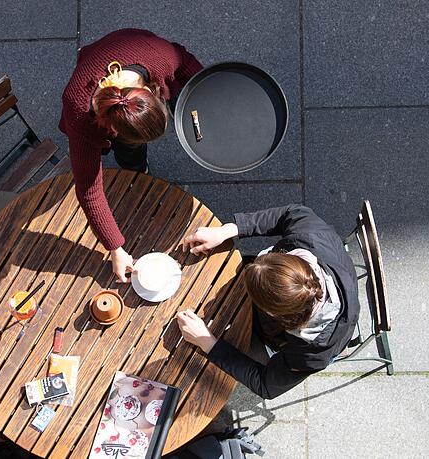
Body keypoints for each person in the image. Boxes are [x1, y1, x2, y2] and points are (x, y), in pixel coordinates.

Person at [60, 28, 203, 282]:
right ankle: (137, 170)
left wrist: (209, 96)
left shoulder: (158, 58)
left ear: (153, 92)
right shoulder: (79, 114)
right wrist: (115, 248)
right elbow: (89, 190)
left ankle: (138, 170)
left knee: (136, 146)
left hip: (128, 47)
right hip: (92, 70)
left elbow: (184, 60)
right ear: (112, 130)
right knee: (131, 153)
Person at [176, 205, 360, 399]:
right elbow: (292, 213)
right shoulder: (310, 238)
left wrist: (208, 343)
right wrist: (228, 230)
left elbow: (266, 385)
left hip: (273, 335)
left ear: (273, 314)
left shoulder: (312, 353)